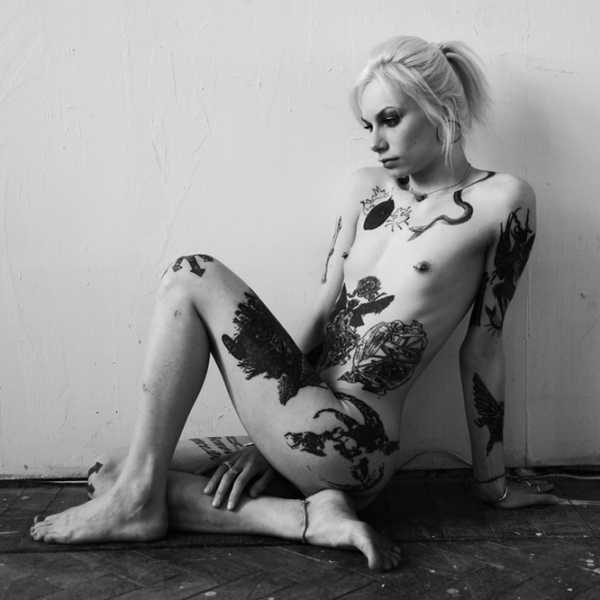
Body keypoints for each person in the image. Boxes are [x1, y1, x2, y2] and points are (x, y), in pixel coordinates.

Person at [30, 35, 558, 571]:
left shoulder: (501, 201)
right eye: (368, 126)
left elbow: (483, 349)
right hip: (303, 415)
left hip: (357, 442)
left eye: (390, 119)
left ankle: (140, 503)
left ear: (441, 108)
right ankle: (302, 517)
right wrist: (273, 437)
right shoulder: (365, 189)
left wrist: (492, 483)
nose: (376, 141)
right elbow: (324, 314)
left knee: (192, 274)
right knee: (109, 470)